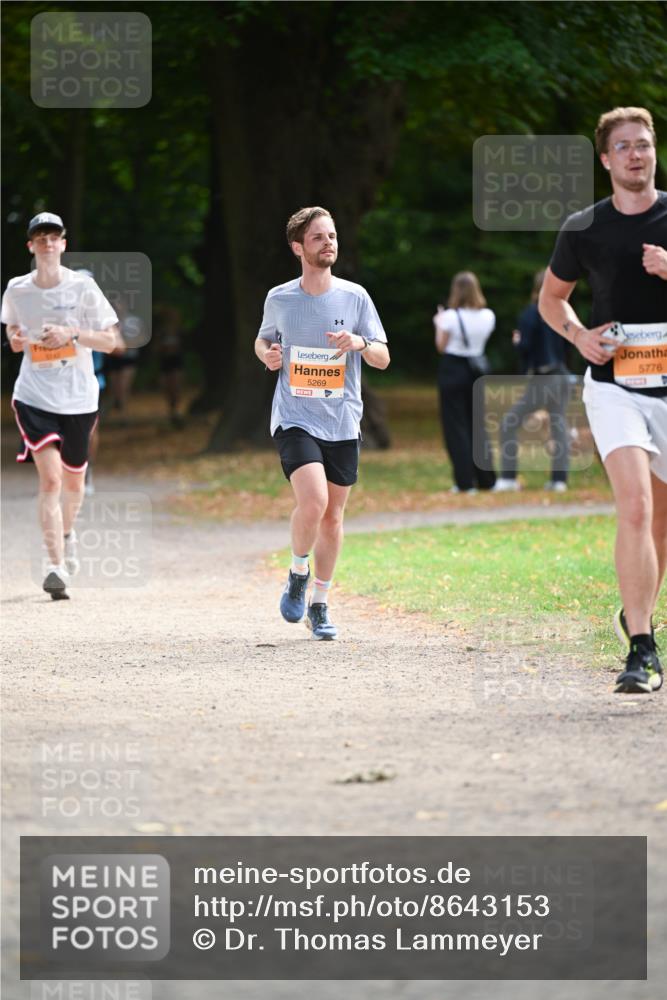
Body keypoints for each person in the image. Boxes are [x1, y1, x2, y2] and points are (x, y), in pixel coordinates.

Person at [539, 107, 666, 694]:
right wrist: (578, 336)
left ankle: (636, 612)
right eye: (624, 147)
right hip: (615, 388)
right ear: (606, 159)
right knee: (635, 509)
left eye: (644, 144)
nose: (636, 155)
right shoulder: (584, 228)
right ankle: (641, 648)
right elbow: (552, 300)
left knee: (660, 527)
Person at [255, 206, 390, 640]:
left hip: (343, 420)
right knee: (312, 501)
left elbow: (384, 357)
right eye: (318, 237)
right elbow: (264, 340)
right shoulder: (280, 298)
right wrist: (268, 355)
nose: (328, 242)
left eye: (331, 235)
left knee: (333, 518)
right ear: (298, 247)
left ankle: (320, 603)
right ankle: (297, 572)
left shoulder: (355, 297)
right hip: (294, 415)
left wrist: (360, 342)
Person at [1, 212, 118, 599]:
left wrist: (72, 332)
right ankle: (54, 566)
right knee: (50, 479)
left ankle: (67, 534)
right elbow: (13, 333)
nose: (48, 243)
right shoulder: (17, 289)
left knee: (73, 482)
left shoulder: (83, 288)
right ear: (30, 246)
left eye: (54, 237)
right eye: (40, 238)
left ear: (64, 244)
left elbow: (112, 341)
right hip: (34, 396)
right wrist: (16, 340)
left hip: (79, 397)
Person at [494, 269, 571, 493]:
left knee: (509, 423)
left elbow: (525, 346)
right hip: (562, 375)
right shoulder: (563, 312)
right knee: (559, 427)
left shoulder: (530, 313)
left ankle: (508, 478)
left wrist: (517, 342)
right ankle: (559, 481)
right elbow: (568, 345)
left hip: (543, 378)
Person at [433, 271, 496, 493]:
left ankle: (465, 481)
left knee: (456, 426)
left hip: (453, 369)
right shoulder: (488, 315)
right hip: (477, 369)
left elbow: (441, 346)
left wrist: (438, 323)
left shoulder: (449, 316)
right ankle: (487, 479)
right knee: (478, 425)